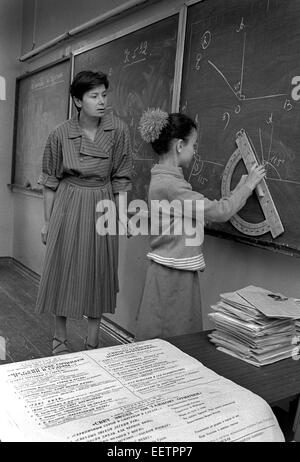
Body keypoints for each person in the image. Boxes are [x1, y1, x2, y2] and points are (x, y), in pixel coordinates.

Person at [135, 108, 265, 341]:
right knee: (172, 342)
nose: (195, 152)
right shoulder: (171, 186)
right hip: (172, 275)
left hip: (171, 269)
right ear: (179, 146)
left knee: (170, 339)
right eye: (193, 145)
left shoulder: (165, 179)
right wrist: (247, 186)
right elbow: (219, 211)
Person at [36, 70, 133, 354]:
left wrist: (123, 215)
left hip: (102, 201)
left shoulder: (119, 131)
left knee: (98, 268)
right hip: (68, 201)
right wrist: (46, 221)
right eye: (94, 96)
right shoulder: (60, 134)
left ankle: (93, 340)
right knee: (62, 267)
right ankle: (59, 339)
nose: (101, 101)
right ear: (78, 101)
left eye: (104, 95)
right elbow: (50, 181)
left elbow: (122, 178)